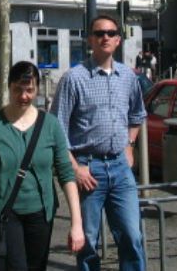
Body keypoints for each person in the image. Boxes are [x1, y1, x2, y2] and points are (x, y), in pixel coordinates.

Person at [0, 61, 84, 271]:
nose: (24, 95)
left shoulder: (50, 125)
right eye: (18, 89)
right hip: (3, 214)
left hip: (40, 214)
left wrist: (77, 223)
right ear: (8, 87)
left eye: (29, 90)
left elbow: (66, 174)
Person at [51, 14, 147, 271]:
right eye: (99, 33)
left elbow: (137, 115)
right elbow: (56, 129)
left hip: (119, 168)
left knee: (132, 236)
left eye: (110, 33)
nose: (105, 37)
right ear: (90, 40)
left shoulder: (128, 77)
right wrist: (75, 168)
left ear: (118, 39)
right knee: (88, 242)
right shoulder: (74, 78)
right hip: (88, 169)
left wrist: (129, 144)